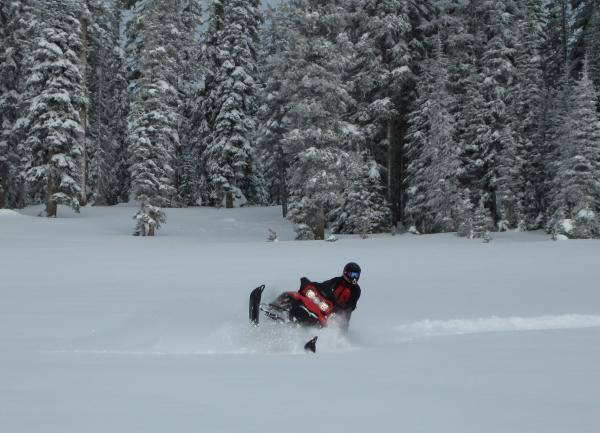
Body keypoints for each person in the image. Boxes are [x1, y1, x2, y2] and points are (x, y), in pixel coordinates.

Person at [311, 262, 362, 331]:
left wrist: (340, 307)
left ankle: (334, 339)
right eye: (352, 274)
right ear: (346, 272)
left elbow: (350, 305)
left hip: (340, 315)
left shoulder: (356, 289)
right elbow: (323, 285)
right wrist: (312, 285)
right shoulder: (337, 281)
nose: (354, 277)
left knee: (335, 324)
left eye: (356, 275)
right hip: (327, 307)